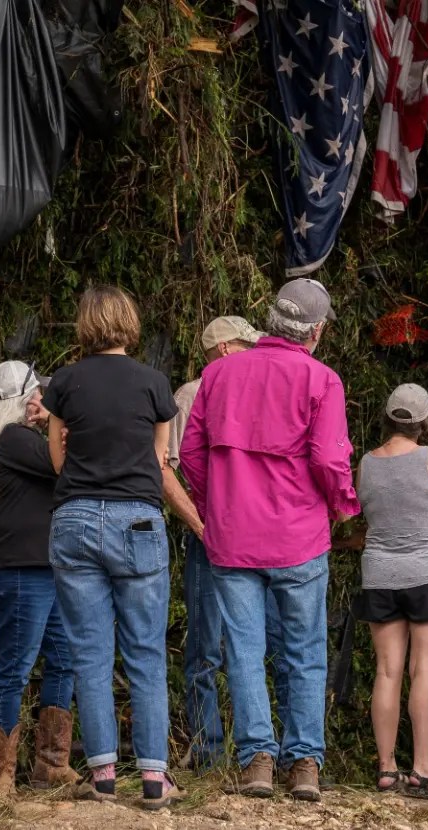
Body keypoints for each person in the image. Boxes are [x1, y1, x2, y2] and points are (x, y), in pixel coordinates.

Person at [179, 277, 359, 802]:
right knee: (305, 651)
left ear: (272, 321)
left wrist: (215, 506)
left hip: (234, 538)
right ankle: (304, 764)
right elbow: (328, 458)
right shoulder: (322, 379)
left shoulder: (219, 374)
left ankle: (257, 759)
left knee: (243, 649)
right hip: (299, 537)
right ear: (316, 331)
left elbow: (190, 454)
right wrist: (343, 504)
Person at [42, 284, 181, 810]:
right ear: (129, 322)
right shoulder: (154, 383)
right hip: (137, 520)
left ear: (86, 325)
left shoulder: (65, 382)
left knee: (90, 654)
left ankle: (102, 777)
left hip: (75, 518)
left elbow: (57, 459)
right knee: (145, 652)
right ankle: (154, 779)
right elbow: (159, 459)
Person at [163, 315, 291, 772]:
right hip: (215, 536)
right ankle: (210, 753)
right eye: (247, 345)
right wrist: (203, 526)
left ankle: (282, 752)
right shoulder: (191, 394)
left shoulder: (257, 386)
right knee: (206, 646)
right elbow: (166, 468)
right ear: (223, 349)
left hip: (260, 534)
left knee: (275, 641)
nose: (257, 353)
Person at [0, 361, 78, 796]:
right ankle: (1, 776)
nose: (42, 401)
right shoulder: (13, 439)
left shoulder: (5, 438)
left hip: (37, 567)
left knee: (63, 658)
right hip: (23, 568)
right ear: (24, 400)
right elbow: (64, 462)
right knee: (16, 668)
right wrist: (56, 420)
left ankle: (51, 764)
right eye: (37, 395)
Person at [354, 384, 428, 800]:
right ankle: (424, 769)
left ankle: (386, 768)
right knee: (425, 671)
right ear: (424, 421)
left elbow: (365, 512)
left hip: (381, 573)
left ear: (387, 418)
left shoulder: (367, 463)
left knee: (387, 671)